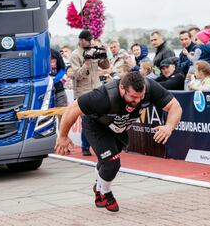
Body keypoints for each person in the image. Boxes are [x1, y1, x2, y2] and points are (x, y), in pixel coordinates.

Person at [54, 72, 182, 212]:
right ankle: (105, 193)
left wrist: (169, 127)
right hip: (96, 126)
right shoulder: (102, 96)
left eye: (141, 97)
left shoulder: (151, 88)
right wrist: (63, 136)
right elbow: (72, 109)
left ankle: (99, 187)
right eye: (133, 97)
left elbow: (175, 106)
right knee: (112, 163)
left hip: (118, 128)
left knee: (107, 160)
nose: (138, 101)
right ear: (122, 88)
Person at [70, 30, 110, 156]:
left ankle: (101, 145)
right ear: (81, 40)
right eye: (88, 39)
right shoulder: (75, 55)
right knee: (87, 120)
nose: (91, 41)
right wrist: (86, 63)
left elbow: (105, 67)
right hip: (83, 92)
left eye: (91, 39)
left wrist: (103, 55)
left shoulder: (93, 50)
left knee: (100, 119)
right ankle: (85, 147)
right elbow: (76, 76)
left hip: (97, 89)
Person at [50, 48, 68, 124]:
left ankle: (62, 135)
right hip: (43, 93)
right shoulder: (36, 52)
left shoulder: (55, 53)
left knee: (63, 117)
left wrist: (55, 79)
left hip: (59, 90)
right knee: (46, 118)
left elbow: (63, 68)